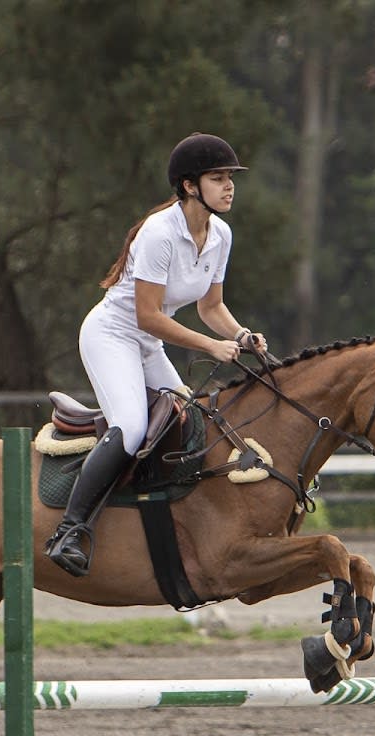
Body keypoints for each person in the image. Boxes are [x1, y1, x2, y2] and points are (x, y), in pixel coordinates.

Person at [45, 132, 268, 577]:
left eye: (231, 179)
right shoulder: (159, 233)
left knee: (191, 422)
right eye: (219, 178)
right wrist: (209, 345)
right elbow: (147, 316)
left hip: (147, 343)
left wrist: (241, 336)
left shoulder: (220, 234)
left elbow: (211, 307)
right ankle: (69, 530)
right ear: (190, 186)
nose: (230, 187)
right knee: (130, 429)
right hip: (112, 335)